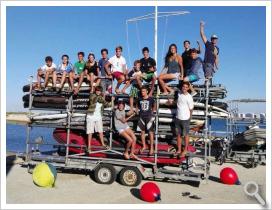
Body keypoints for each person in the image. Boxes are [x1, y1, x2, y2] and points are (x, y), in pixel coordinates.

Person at [168, 81, 194, 157]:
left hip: (186, 118)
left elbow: (191, 108)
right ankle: (179, 150)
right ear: (181, 87)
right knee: (178, 135)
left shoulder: (189, 97)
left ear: (188, 88)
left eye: (186, 87)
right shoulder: (179, 94)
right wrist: (171, 102)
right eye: (183, 87)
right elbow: (177, 102)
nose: (184, 88)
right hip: (178, 117)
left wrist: (190, 118)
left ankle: (185, 150)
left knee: (186, 135)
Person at [86, 86, 112, 152]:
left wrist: (112, 100)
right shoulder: (92, 95)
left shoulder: (101, 98)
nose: (98, 91)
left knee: (100, 131)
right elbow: (96, 99)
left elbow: (107, 104)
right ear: (95, 91)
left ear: (101, 91)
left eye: (99, 91)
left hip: (98, 116)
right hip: (90, 116)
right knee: (90, 132)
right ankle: (89, 146)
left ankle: (103, 144)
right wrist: (104, 96)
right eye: (97, 90)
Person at [136, 86, 156, 156]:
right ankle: (144, 146)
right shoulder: (139, 98)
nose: (142, 92)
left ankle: (151, 148)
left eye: (144, 91)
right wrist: (137, 110)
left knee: (150, 132)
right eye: (142, 91)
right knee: (142, 132)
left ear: (147, 91)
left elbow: (154, 105)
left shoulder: (151, 99)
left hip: (149, 117)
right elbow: (137, 105)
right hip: (141, 117)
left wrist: (152, 112)